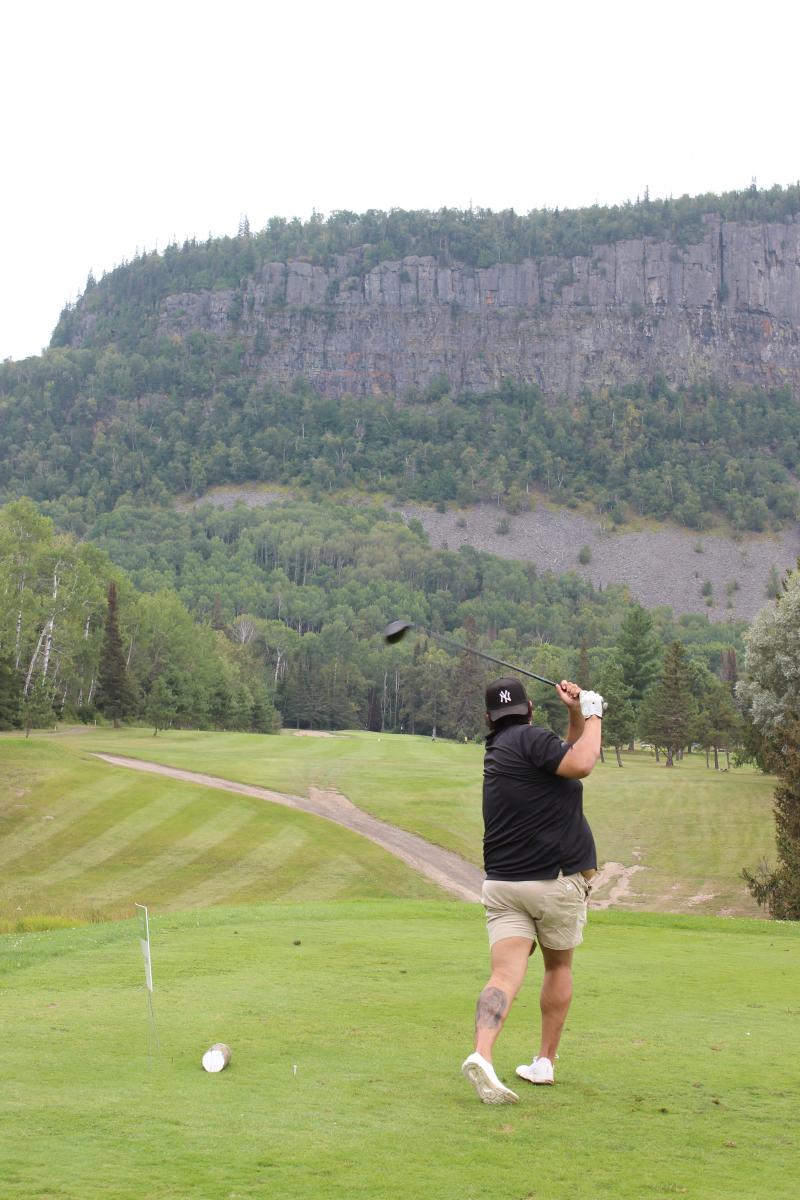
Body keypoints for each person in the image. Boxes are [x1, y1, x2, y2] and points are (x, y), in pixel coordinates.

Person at [461, 674, 604, 1104]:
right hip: (553, 880)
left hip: (503, 884)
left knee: (503, 975)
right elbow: (582, 762)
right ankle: (544, 1062)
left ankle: (482, 1054)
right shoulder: (531, 738)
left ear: (489, 718)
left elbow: (564, 754)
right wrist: (594, 712)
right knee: (558, 968)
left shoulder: (499, 750)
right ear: (529, 709)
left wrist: (574, 715)